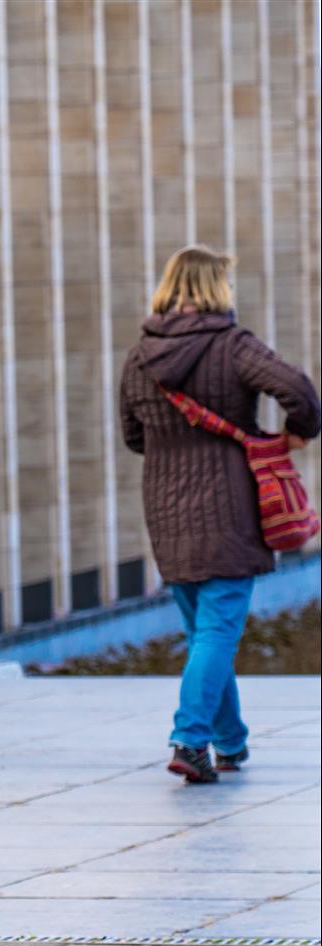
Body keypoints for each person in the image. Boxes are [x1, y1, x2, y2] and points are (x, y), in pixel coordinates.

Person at [119, 245, 319, 784]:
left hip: (165, 507)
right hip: (229, 505)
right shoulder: (233, 345)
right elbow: (298, 389)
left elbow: (132, 435)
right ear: (217, 288)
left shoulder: (140, 355)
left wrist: (173, 448)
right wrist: (297, 432)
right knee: (216, 633)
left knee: (208, 633)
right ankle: (190, 739)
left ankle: (230, 741)